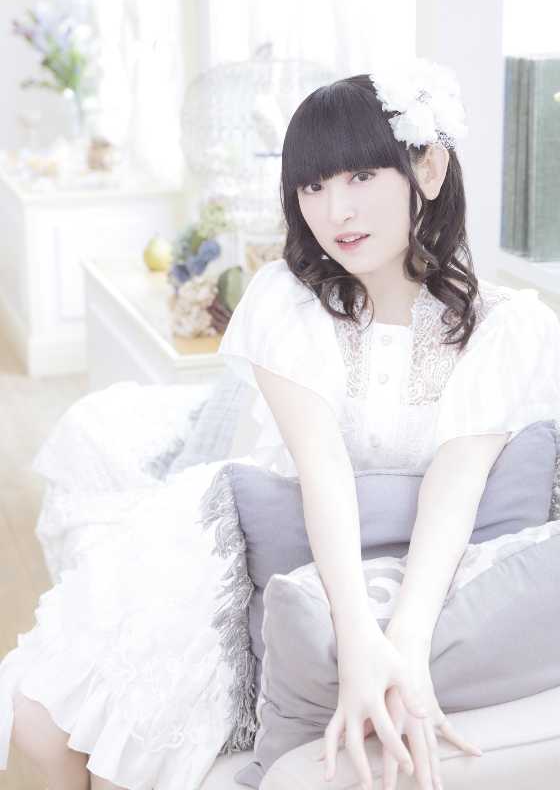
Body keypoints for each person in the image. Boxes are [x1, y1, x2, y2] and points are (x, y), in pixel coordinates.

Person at [1, 56, 560, 790]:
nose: (335, 211)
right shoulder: (287, 301)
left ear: (428, 169)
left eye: (361, 176)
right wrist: (356, 641)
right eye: (313, 186)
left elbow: (453, 493)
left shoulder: (505, 327)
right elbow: (321, 473)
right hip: (244, 540)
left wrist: (403, 645)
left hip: (373, 567)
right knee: (42, 721)